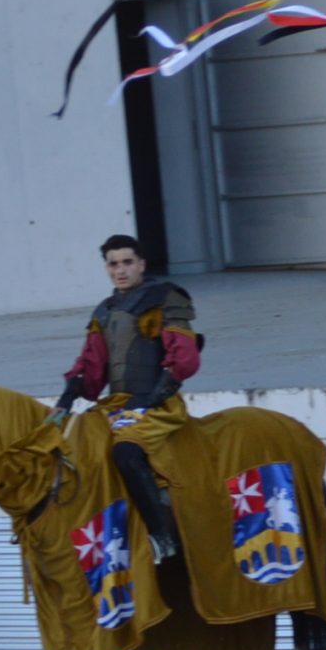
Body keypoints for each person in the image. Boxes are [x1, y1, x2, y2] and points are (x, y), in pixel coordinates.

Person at [53, 235, 200, 564]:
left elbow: (184, 358)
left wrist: (149, 399)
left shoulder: (166, 298)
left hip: (158, 405)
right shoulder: (104, 311)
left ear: (142, 264)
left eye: (127, 262)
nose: (121, 270)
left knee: (126, 452)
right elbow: (90, 367)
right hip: (116, 404)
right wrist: (66, 399)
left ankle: (162, 537)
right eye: (113, 264)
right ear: (106, 268)